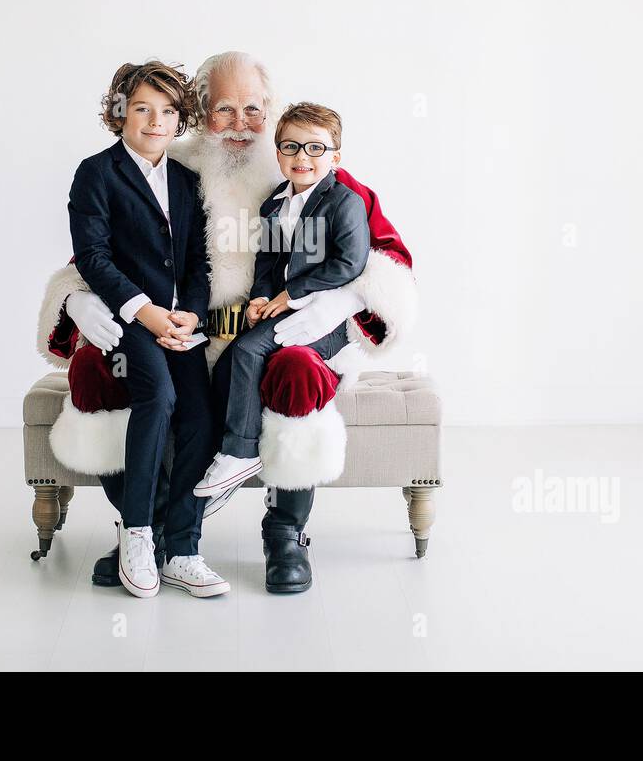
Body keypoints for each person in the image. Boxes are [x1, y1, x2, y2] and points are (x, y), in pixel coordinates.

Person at [40, 51, 419, 594]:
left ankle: (285, 533)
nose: (240, 125)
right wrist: (75, 300)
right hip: (188, 332)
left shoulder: (307, 167)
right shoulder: (177, 165)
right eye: (224, 110)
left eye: (253, 109)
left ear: (273, 109)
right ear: (199, 113)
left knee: (294, 371)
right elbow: (104, 255)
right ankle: (144, 530)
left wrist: (343, 302)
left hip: (289, 336)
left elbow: (385, 258)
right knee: (107, 373)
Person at [65, 60, 228, 599]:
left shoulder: (185, 179)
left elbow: (200, 261)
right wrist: (143, 311)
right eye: (142, 109)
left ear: (179, 119)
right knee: (156, 395)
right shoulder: (97, 173)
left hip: (180, 321)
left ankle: (183, 546)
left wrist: (193, 314)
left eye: (167, 111)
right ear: (120, 113)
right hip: (128, 319)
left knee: (202, 414)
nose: (155, 121)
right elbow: (92, 255)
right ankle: (137, 531)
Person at [194, 102, 368, 518]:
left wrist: (292, 296)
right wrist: (260, 297)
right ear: (277, 152)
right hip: (285, 308)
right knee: (231, 355)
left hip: (324, 318)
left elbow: (349, 263)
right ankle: (220, 452)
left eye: (315, 148)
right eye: (290, 147)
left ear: (335, 157)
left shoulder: (343, 201)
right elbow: (269, 263)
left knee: (250, 351)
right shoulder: (275, 202)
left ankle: (239, 452)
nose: (302, 157)